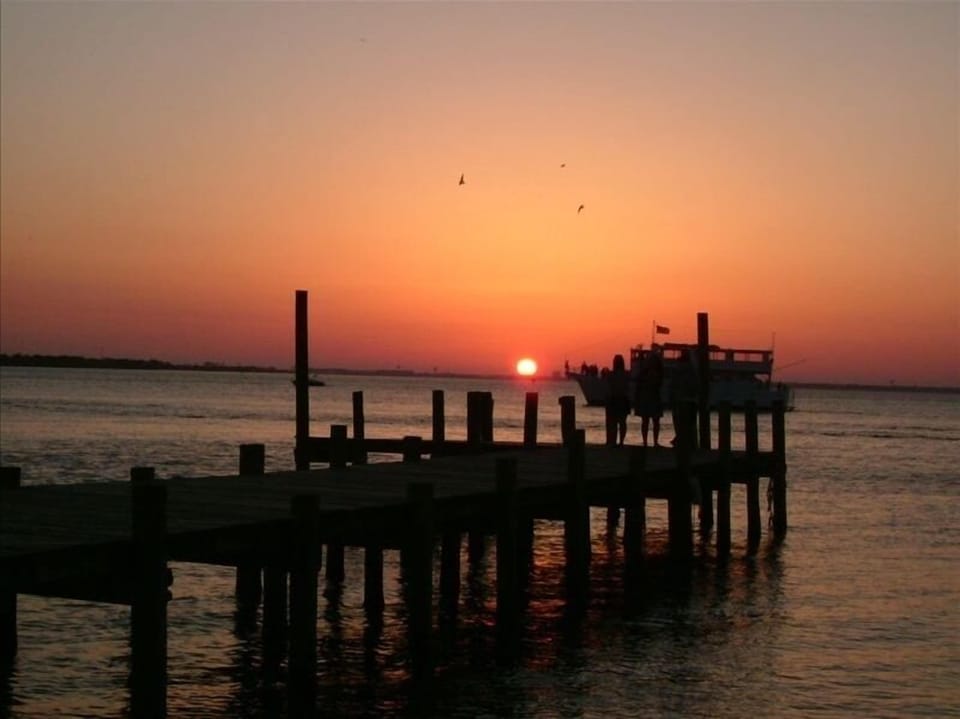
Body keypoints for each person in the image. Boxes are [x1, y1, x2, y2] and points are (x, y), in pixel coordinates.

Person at [634, 347, 664, 447]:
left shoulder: (653, 373)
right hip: (650, 397)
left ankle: (654, 441)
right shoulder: (647, 373)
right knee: (647, 421)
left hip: (651, 397)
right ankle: (647, 441)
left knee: (653, 421)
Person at [669, 348, 699, 447]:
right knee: (690, 424)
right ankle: (691, 442)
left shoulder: (677, 370)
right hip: (691, 400)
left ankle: (681, 440)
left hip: (680, 399)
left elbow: (673, 385)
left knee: (679, 423)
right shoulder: (693, 370)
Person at [605, 353, 631, 446]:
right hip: (623, 400)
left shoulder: (611, 375)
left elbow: (608, 388)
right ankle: (621, 442)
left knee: (614, 423)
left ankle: (613, 441)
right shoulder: (627, 374)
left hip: (614, 399)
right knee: (622, 423)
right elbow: (628, 388)